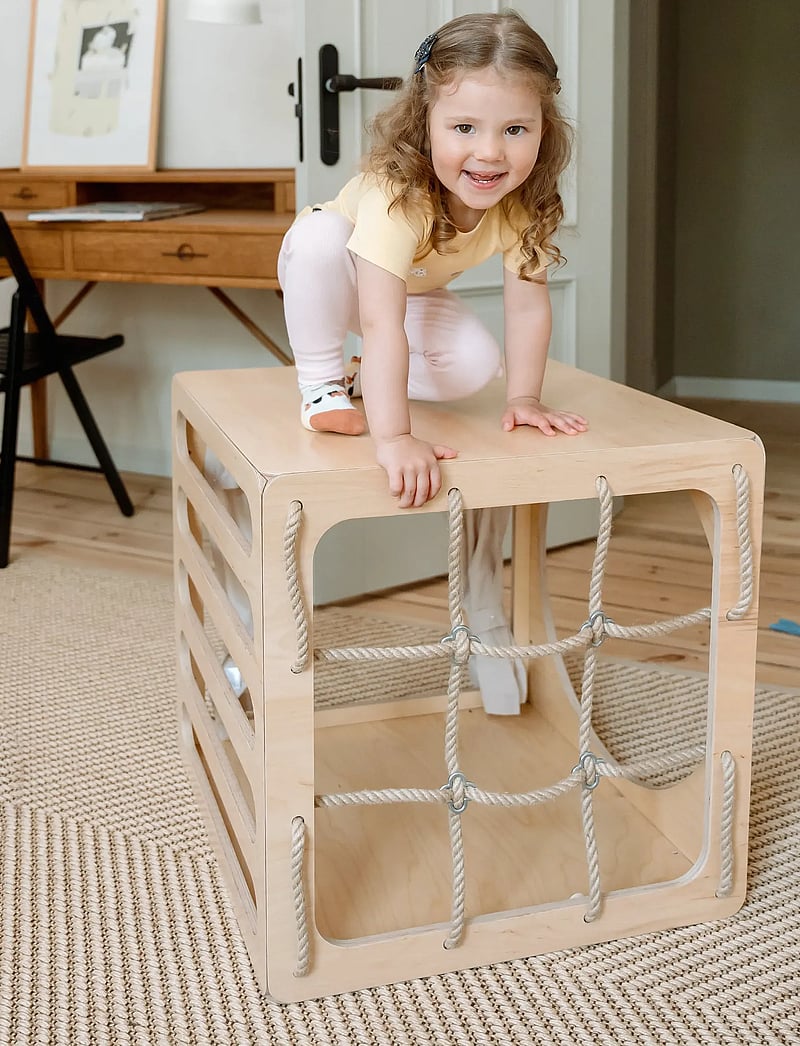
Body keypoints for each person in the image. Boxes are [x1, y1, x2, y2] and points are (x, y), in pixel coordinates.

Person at [275, 10, 589, 714]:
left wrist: (526, 396)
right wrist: (394, 436)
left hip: (406, 297)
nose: (490, 154)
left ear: (545, 129)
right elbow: (380, 321)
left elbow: (527, 306)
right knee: (322, 238)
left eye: (516, 130)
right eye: (465, 129)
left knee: (476, 365)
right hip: (335, 280)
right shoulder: (398, 190)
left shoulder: (526, 200)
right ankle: (327, 383)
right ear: (426, 123)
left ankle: (364, 382)